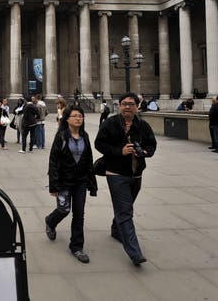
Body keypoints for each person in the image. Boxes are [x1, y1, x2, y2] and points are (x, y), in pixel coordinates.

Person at [95, 92, 157, 266]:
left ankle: (116, 229)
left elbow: (152, 145)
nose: (127, 107)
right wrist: (119, 151)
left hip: (136, 173)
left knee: (127, 206)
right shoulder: (110, 123)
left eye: (131, 104)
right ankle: (134, 252)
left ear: (137, 107)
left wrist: (145, 152)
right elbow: (99, 143)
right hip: (116, 173)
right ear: (119, 106)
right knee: (125, 211)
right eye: (124, 103)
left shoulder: (143, 126)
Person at [45, 106, 97, 263]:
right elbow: (53, 161)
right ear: (66, 119)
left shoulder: (85, 136)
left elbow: (89, 160)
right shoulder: (61, 137)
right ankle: (50, 221)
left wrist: (91, 182)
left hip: (80, 181)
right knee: (63, 209)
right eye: (75, 116)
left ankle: (76, 246)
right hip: (64, 182)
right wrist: (53, 185)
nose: (78, 118)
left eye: (80, 116)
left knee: (79, 213)